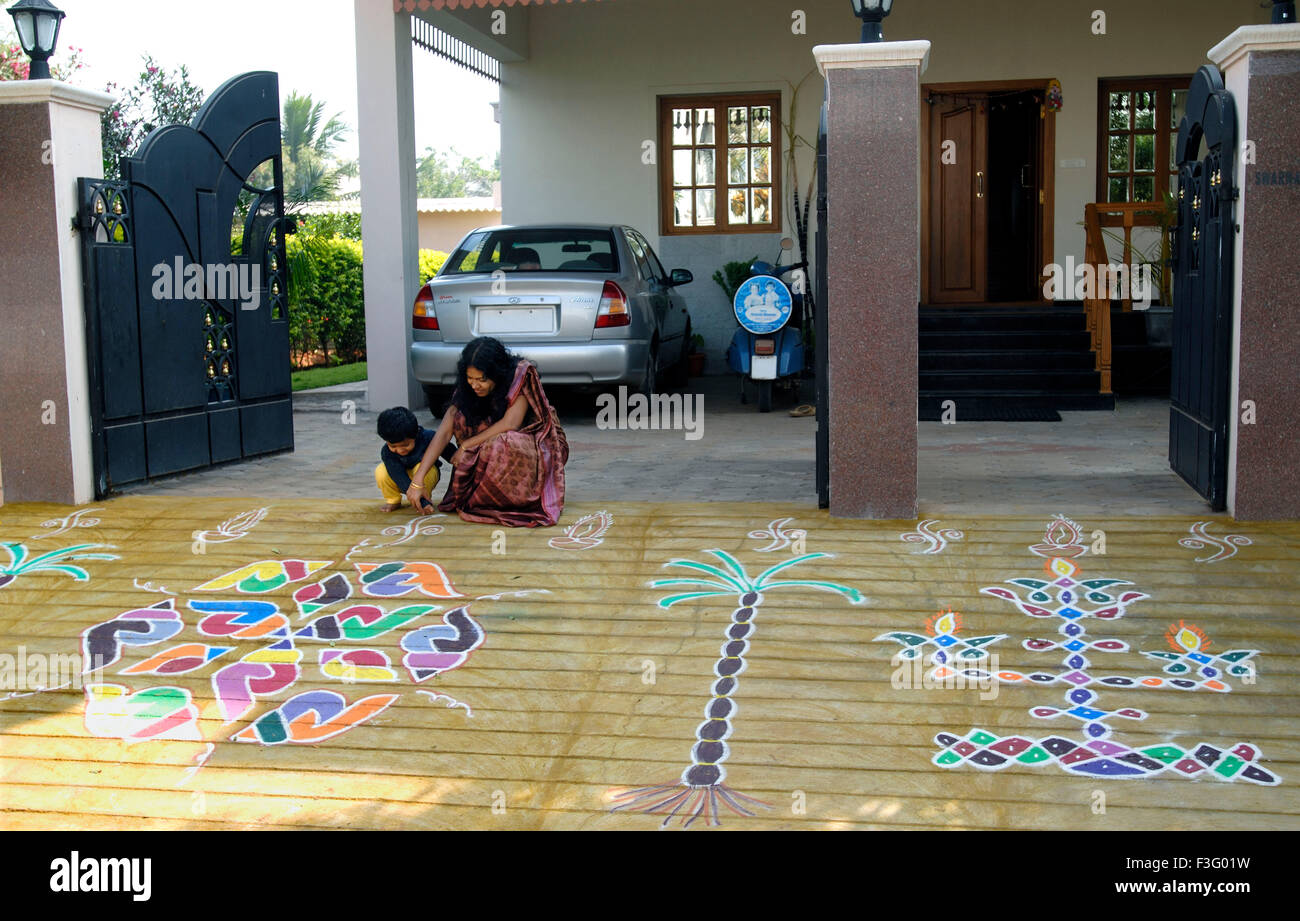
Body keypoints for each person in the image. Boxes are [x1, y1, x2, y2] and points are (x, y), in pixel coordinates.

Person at [408, 337, 569, 527]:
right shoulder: (469, 386)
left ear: (497, 374)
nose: (475, 385)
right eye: (470, 379)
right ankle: (482, 494)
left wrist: (467, 445)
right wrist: (418, 481)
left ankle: (515, 499)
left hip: (534, 445)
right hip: (491, 442)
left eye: (482, 380)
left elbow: (511, 423)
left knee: (503, 441)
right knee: (460, 416)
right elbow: (444, 432)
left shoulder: (521, 375)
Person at [374, 406, 458, 513]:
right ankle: (393, 500)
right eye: (393, 446)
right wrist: (423, 503)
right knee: (381, 471)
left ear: (416, 434)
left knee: (420, 467)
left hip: (425, 476)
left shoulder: (428, 437)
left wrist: (458, 459)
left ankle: (424, 496)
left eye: (405, 445)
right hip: (402, 480)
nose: (400, 450)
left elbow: (449, 453)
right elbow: (399, 476)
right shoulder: (387, 452)